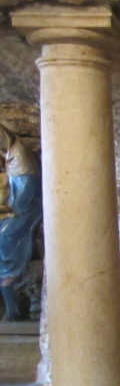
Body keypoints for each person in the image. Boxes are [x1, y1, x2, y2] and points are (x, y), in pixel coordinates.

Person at [0, 125, 42, 321]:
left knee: (5, 235)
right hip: (15, 209)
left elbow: (25, 194)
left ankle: (10, 272)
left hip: (27, 211)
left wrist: (9, 208)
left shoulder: (21, 156)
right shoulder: (11, 155)